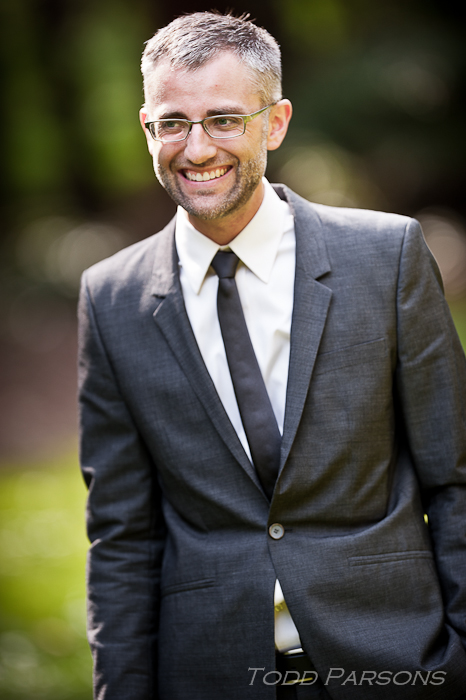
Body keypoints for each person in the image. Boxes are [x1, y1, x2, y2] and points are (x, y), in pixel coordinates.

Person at [78, 11, 466, 700]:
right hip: (211, 677)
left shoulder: (387, 258)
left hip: (396, 666)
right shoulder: (111, 299)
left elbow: (455, 479)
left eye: (224, 119)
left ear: (276, 123)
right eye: (173, 123)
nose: (197, 148)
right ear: (147, 129)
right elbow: (123, 536)